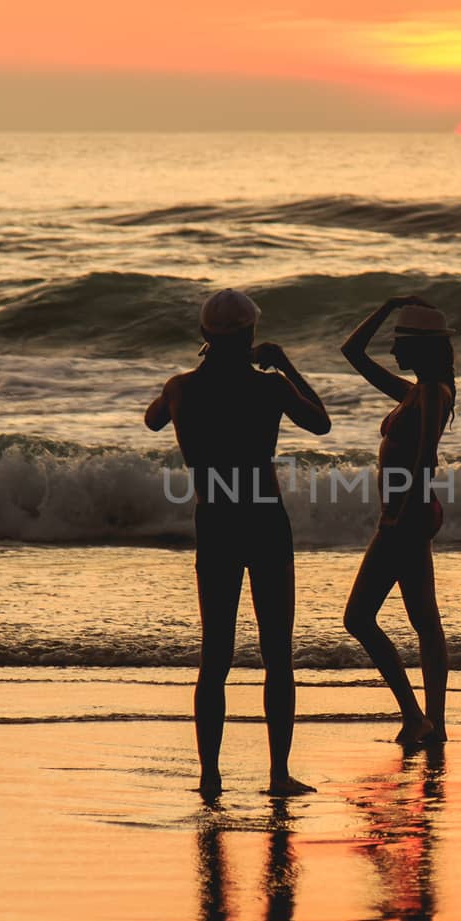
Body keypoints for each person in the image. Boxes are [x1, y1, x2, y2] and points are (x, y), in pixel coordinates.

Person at [146, 288, 330, 797]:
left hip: (217, 519)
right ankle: (277, 774)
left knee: (216, 655)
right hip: (265, 520)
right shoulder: (269, 388)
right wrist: (285, 364)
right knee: (277, 654)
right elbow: (320, 421)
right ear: (251, 335)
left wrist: (196, 367)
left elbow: (152, 418)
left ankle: (210, 775)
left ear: (205, 336)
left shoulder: (181, 389)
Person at [341, 296, 455, 749]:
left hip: (405, 519)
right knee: (425, 622)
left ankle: (415, 717)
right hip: (411, 515)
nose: (393, 351)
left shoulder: (430, 392)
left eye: (399, 342)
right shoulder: (415, 390)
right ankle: (433, 725)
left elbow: (426, 458)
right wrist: (387, 306)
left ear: (420, 346)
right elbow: (352, 353)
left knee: (358, 618)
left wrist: (397, 516)